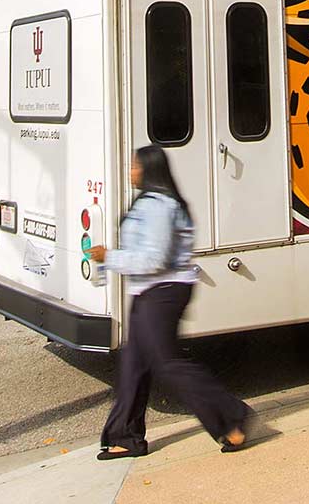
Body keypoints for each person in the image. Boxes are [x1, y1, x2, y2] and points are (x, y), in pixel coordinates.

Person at [89, 145, 252, 459]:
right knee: (133, 364)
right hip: (146, 291)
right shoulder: (147, 203)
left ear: (150, 169)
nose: (131, 171)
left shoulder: (160, 206)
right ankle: (126, 436)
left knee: (168, 364)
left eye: (136, 166)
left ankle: (233, 418)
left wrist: (110, 257)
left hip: (164, 291)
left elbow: (155, 259)